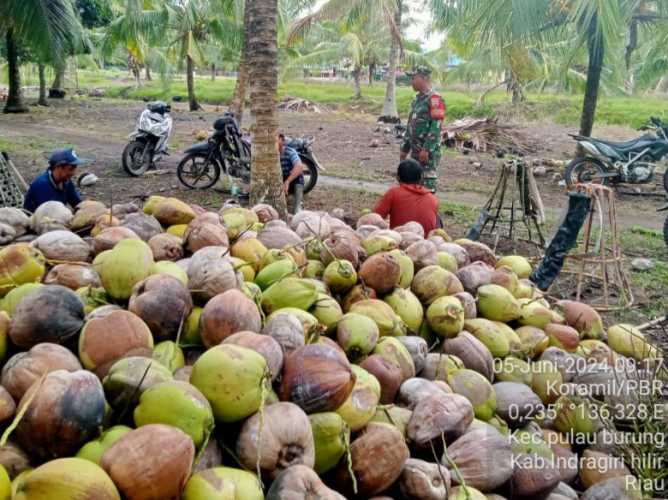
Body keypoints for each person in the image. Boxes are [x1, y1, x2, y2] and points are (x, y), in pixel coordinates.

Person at [400, 66, 445, 193]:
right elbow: (410, 126)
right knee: (414, 185)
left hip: (427, 152)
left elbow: (436, 126)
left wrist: (426, 149)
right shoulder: (416, 100)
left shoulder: (435, 99)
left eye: (414, 78)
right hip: (415, 149)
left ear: (424, 78)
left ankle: (429, 212)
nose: (411, 81)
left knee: (427, 185)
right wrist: (405, 148)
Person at [374, 159, 440, 234]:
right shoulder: (432, 198)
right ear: (421, 178)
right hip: (427, 242)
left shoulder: (393, 193)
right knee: (438, 219)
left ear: (397, 177)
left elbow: (376, 218)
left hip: (401, 240)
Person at [23, 148, 84, 212]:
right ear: (58, 167)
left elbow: (78, 204)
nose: (73, 173)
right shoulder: (42, 186)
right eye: (71, 169)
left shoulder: (66, 182)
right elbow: (48, 217)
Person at [278, 133, 305, 214]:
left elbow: (299, 166)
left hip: (291, 179)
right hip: (280, 180)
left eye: (276, 140)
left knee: (299, 177)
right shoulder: (269, 155)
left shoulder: (290, 152)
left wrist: (287, 181)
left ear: (282, 141)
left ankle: (298, 205)